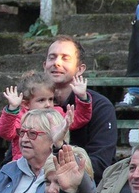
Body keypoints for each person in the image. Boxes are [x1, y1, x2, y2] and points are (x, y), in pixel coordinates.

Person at [43, 35, 117, 182]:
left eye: (65, 58)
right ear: (44, 65)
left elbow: (100, 163)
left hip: (79, 185)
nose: (56, 63)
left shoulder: (99, 106)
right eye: (52, 57)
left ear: (80, 69)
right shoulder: (35, 102)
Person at [0, 70, 92, 161]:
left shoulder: (56, 113)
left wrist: (82, 98)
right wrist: (12, 109)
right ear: (26, 104)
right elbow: (4, 132)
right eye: (41, 100)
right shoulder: (21, 117)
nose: (48, 104)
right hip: (24, 165)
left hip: (51, 162)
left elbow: (80, 118)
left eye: (50, 99)